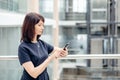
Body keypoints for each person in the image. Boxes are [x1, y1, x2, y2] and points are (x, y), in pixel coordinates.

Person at [18, 12, 68, 80]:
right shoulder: (23, 48)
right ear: (30, 26)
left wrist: (64, 52)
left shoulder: (42, 43)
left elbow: (59, 50)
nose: (42, 28)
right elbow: (33, 73)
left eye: (43, 25)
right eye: (39, 25)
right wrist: (50, 58)